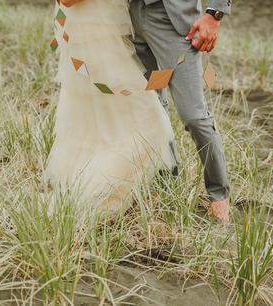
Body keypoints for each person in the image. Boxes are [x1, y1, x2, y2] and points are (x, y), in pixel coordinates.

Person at [45, 0, 231, 223]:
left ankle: (218, 194)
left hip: (176, 23)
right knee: (149, 107)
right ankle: (164, 187)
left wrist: (214, 14)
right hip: (128, 21)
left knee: (194, 115)